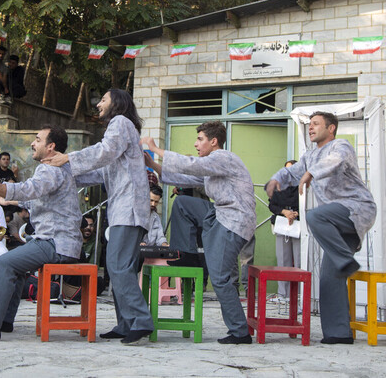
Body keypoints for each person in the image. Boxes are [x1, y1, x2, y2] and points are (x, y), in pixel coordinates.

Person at [42, 89, 153, 345]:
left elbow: (103, 152)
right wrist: (65, 174)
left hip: (129, 209)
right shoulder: (121, 130)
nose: (99, 104)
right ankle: (126, 324)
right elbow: (102, 171)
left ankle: (141, 321)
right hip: (122, 210)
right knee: (115, 268)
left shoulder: (120, 123)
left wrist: (68, 157)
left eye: (103, 99)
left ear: (118, 103)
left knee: (117, 266)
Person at [0, 124, 82, 342]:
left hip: (54, 242)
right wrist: (7, 199)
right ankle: (5, 321)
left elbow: (29, 188)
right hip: (61, 242)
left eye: (37, 139)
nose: (32, 143)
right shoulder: (61, 169)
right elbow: (36, 197)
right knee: (15, 267)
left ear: (51, 146)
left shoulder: (49, 169)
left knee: (3, 263)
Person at [266, 111, 376, 344]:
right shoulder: (309, 155)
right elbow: (290, 173)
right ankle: (339, 334)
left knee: (314, 216)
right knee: (328, 277)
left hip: (357, 208)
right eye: (310, 124)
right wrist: (276, 180)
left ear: (331, 128)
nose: (311, 127)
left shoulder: (341, 146)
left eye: (316, 124)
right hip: (337, 221)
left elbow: (332, 162)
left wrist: (310, 173)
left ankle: (346, 260)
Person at [142, 120, 256, 345]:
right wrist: (153, 165)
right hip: (219, 216)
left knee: (220, 277)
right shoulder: (212, 166)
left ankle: (240, 332)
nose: (196, 144)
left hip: (234, 221)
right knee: (183, 202)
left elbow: (190, 165)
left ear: (214, 142)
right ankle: (186, 255)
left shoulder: (224, 158)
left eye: (200, 139)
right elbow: (186, 179)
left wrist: (156, 149)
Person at [267, 160, 300, 303]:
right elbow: (272, 205)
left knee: (299, 260)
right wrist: (284, 212)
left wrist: (295, 213)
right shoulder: (278, 187)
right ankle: (283, 294)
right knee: (282, 259)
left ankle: (299, 294)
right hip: (282, 223)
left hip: (299, 224)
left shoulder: (303, 186)